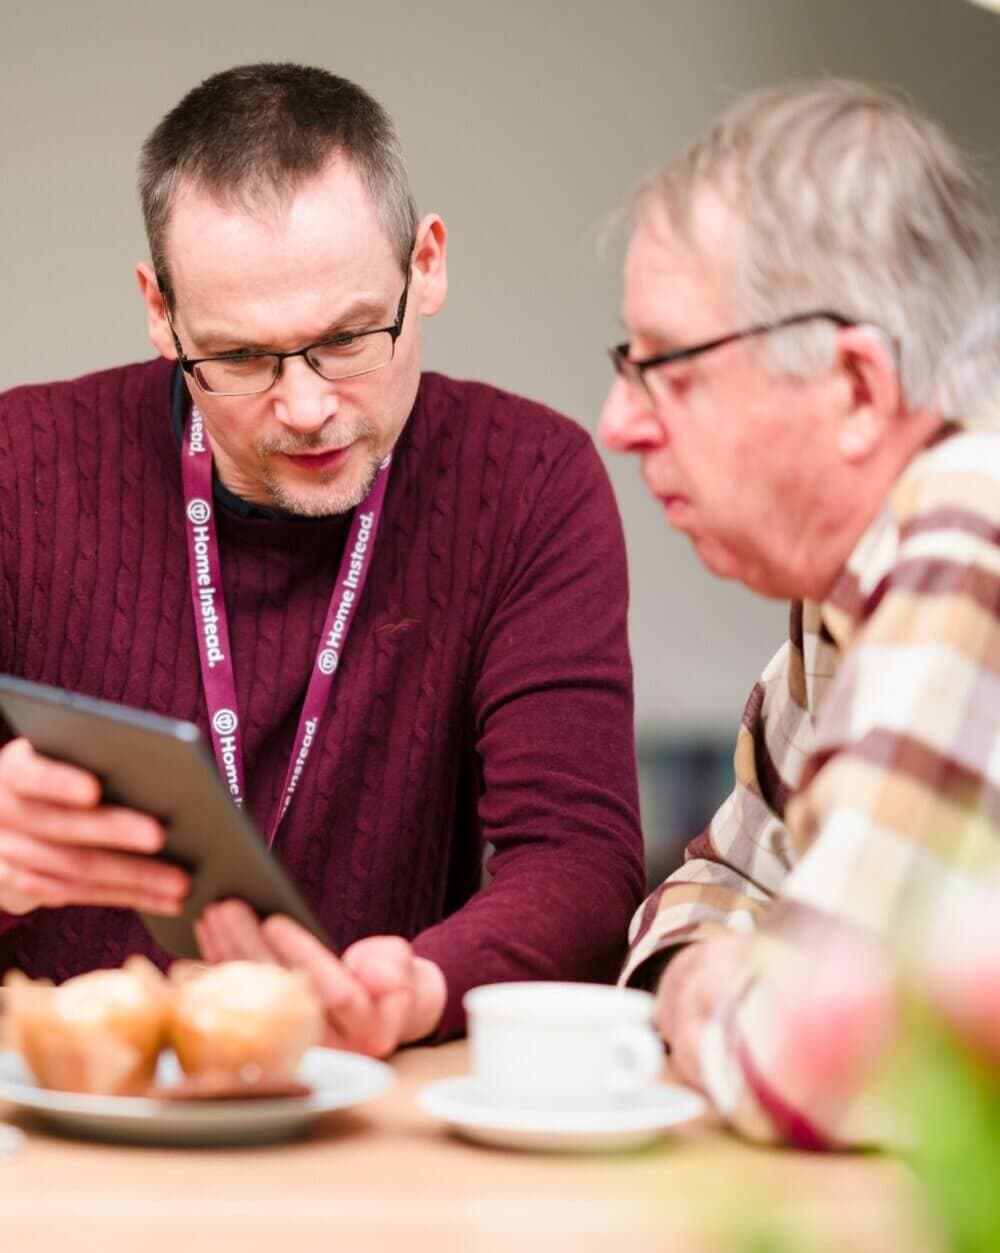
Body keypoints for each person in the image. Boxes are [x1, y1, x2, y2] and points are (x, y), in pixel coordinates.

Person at [0, 62, 644, 1056]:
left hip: (374, 1105)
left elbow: (580, 861)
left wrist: (425, 985)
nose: (304, 408)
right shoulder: (19, 463)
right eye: (243, 358)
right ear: (159, 310)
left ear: (426, 263)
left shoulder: (527, 479)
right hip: (68, 1108)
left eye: (348, 339)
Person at [599, 79, 1000, 1146]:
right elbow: (710, 885)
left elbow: (801, 1059)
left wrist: (708, 987)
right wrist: (718, 965)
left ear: (858, 388)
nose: (617, 421)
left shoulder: (973, 521)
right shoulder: (844, 590)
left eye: (666, 366)